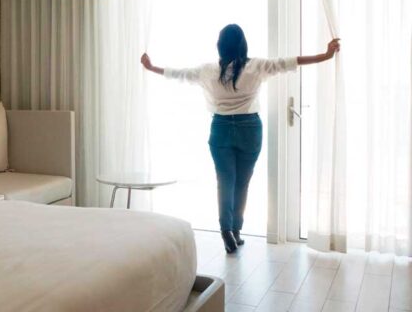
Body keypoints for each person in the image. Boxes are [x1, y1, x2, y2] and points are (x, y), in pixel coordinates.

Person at [140, 24, 340, 253]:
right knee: (242, 183)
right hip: (249, 129)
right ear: (243, 45)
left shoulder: (207, 71)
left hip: (221, 129)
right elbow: (291, 62)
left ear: (219, 46)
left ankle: (226, 230)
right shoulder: (256, 67)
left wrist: (151, 67)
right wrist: (326, 55)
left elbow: (178, 74)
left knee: (225, 181)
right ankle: (236, 230)